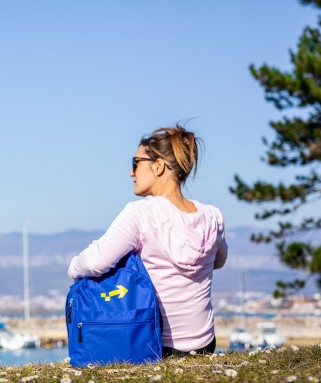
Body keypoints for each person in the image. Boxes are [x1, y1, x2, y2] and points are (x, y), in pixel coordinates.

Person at [67, 124, 228, 356]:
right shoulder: (212, 216)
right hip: (204, 344)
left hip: (155, 344)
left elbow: (95, 262)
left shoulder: (141, 213)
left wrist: (73, 267)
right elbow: (218, 261)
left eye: (136, 163)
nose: (131, 172)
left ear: (159, 166)